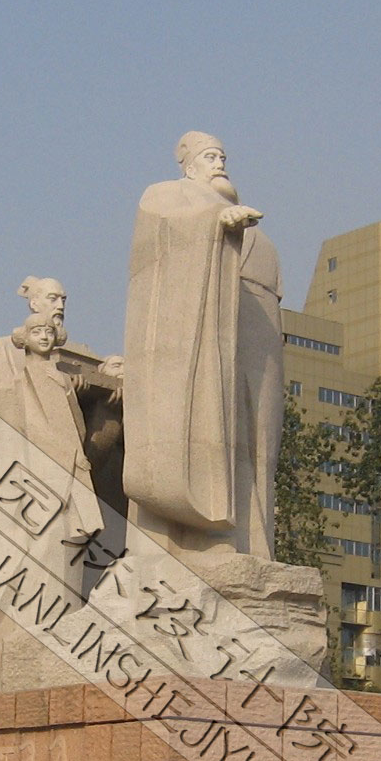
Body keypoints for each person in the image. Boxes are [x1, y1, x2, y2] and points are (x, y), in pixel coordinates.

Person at [122, 132, 284, 561]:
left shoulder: (259, 238)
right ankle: (191, 540)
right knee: (197, 425)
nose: (220, 163)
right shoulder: (166, 195)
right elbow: (155, 260)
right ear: (188, 165)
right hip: (193, 338)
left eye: (223, 157)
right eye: (211, 157)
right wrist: (216, 223)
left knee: (254, 447)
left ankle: (253, 542)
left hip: (251, 346)